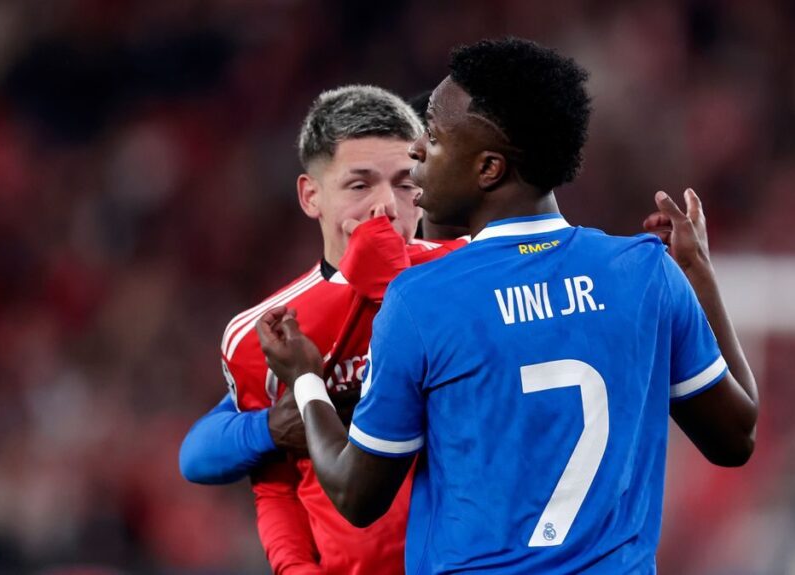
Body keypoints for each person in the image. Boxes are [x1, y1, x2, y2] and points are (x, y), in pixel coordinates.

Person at [257, 38, 759, 574]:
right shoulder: (645, 273)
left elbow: (357, 496)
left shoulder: (422, 300)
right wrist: (699, 274)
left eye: (435, 136)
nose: (417, 152)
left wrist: (306, 380)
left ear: (489, 168)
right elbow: (735, 437)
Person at [186, 84, 466, 575]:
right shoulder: (269, 331)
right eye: (360, 185)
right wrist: (294, 568)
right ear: (310, 196)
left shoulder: (473, 278)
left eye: (405, 183)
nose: (386, 207)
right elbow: (271, 484)